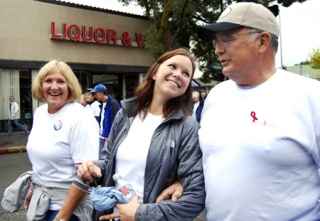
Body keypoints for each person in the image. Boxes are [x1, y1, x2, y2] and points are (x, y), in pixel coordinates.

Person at [197, 2, 320, 221]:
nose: (217, 49)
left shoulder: (311, 96)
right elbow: (210, 164)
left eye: (226, 38)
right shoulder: (216, 96)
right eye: (216, 41)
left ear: (262, 41)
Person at [77, 48, 205, 221]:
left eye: (185, 73)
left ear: (187, 86)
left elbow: (195, 197)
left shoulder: (187, 127)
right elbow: (108, 161)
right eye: (172, 66)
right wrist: (95, 167)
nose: (177, 74)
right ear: (154, 73)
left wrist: (139, 214)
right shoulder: (126, 114)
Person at [24, 60, 99, 221]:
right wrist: (32, 190)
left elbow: (84, 176)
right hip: (40, 203)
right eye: (48, 81)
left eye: (60, 81)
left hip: (67, 210)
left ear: (70, 86)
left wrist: (62, 217)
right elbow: (40, 162)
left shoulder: (80, 118)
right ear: (40, 85)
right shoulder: (40, 112)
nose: (54, 87)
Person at [90, 84, 120, 158]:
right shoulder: (101, 104)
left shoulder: (113, 103)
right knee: (100, 159)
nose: (95, 96)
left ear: (101, 93)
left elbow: (117, 121)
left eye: (96, 94)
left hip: (109, 138)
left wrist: (111, 136)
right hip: (102, 136)